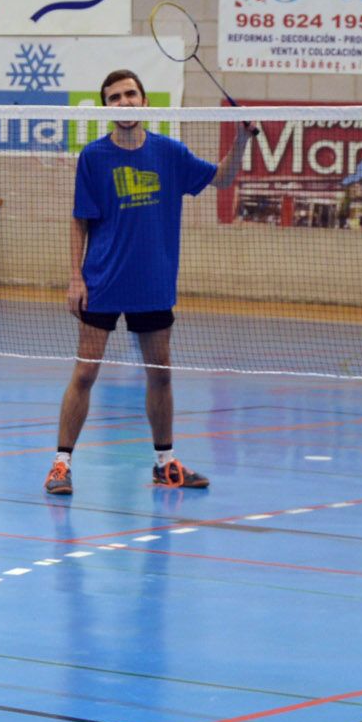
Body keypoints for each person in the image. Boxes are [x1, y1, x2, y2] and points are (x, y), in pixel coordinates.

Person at [46, 70, 250, 495]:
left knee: (160, 375)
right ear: (106, 106)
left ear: (144, 99)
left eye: (131, 93)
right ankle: (61, 465)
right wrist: (75, 277)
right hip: (102, 280)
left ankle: (165, 463)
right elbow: (80, 219)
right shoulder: (94, 157)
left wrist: (243, 138)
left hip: (153, 284)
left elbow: (223, 179)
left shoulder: (169, 153)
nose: (124, 102)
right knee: (84, 374)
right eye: (115, 97)